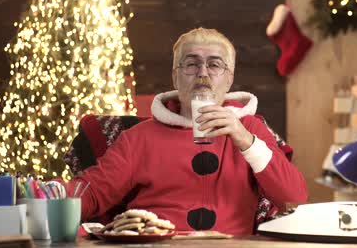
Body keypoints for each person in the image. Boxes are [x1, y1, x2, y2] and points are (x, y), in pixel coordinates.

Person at [67, 28, 308, 235]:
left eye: (214, 64)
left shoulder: (250, 128)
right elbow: (92, 192)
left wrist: (246, 142)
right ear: (175, 76)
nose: (203, 72)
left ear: (229, 79)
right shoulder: (139, 137)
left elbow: (294, 198)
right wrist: (46, 194)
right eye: (191, 64)